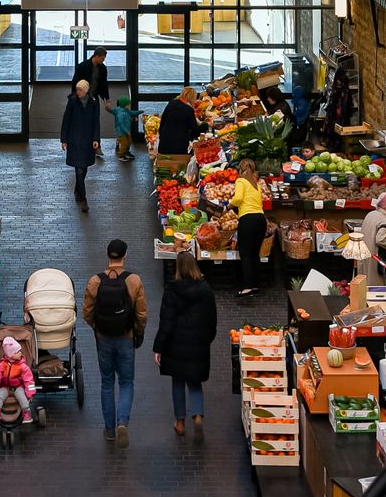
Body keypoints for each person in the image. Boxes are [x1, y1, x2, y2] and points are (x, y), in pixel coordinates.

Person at [83, 239, 149, 448]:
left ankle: (110, 430)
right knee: (127, 382)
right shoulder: (134, 280)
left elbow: (87, 312)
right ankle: (122, 421)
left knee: (107, 382)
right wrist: (138, 331)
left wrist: (97, 327)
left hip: (103, 338)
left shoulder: (95, 281)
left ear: (107, 255)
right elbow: (142, 313)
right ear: (125, 255)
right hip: (126, 336)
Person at [154, 252, 217, 439]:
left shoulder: (172, 290)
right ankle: (197, 415)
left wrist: (159, 347)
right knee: (195, 381)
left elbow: (166, 321)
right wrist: (207, 338)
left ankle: (180, 422)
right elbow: (211, 319)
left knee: (178, 382)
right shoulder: (205, 290)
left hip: (175, 343)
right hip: (198, 342)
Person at [60, 79, 102, 213]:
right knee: (79, 169)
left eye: (80, 90)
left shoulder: (93, 102)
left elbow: (96, 122)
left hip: (88, 141)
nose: (77, 92)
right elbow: (66, 120)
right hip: (75, 141)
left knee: (83, 169)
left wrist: (96, 139)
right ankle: (84, 199)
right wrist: (64, 140)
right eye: (77, 89)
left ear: (86, 91)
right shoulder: (72, 102)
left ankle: (78, 189)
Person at [232, 158, 268, 297]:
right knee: (254, 254)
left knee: (246, 254)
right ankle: (255, 285)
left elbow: (238, 199)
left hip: (248, 219)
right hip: (261, 219)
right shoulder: (256, 185)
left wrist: (228, 206)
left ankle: (247, 287)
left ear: (240, 170)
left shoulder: (241, 181)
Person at [0, 336, 37, 425]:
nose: (21, 353)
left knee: (22, 397)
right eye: (17, 352)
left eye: (20, 351)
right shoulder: (2, 365)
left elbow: (29, 380)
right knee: (0, 396)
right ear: (11, 354)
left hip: (18, 387)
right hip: (5, 387)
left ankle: (26, 412)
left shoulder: (23, 366)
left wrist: (31, 394)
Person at [358, 191, 386, 284]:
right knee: (376, 283)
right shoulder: (384, 220)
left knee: (365, 280)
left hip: (365, 253)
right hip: (374, 258)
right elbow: (380, 240)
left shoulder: (371, 214)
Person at [71, 47, 111, 146]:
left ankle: (96, 144)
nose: (103, 60)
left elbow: (104, 84)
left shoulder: (102, 68)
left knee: (95, 120)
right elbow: (75, 83)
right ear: (96, 56)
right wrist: (74, 98)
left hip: (94, 97)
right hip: (82, 98)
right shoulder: (82, 66)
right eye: (102, 58)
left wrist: (107, 99)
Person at [157, 87, 201, 157]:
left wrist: (161, 135)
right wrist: (205, 125)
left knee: (164, 160)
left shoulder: (172, 103)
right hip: (179, 143)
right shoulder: (188, 110)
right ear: (192, 98)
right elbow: (195, 130)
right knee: (178, 161)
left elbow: (163, 119)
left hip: (165, 139)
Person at [112, 95, 144, 162]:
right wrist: (126, 131)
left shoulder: (126, 111)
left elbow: (130, 116)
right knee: (124, 144)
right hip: (122, 132)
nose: (130, 105)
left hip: (126, 131)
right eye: (128, 104)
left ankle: (126, 152)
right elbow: (121, 124)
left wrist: (139, 112)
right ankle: (121, 156)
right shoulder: (120, 114)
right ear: (125, 105)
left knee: (129, 142)